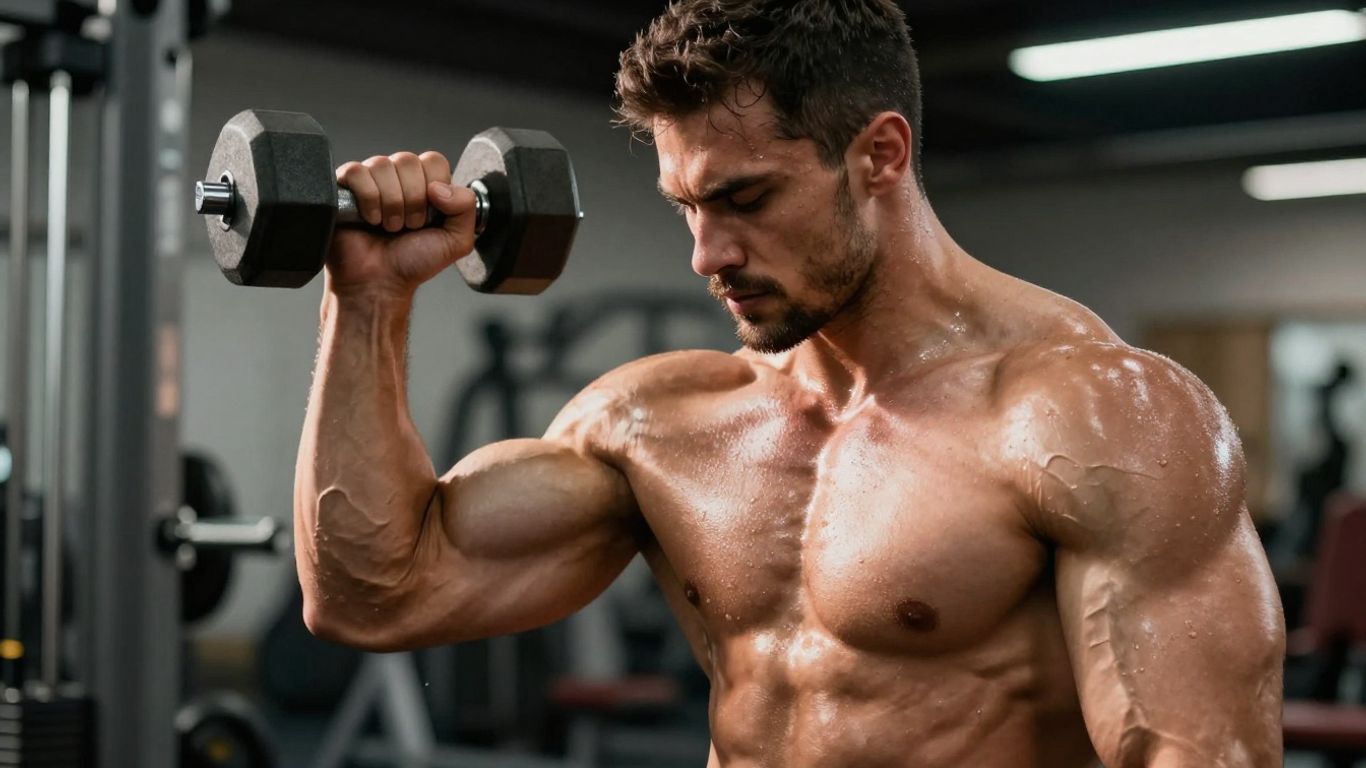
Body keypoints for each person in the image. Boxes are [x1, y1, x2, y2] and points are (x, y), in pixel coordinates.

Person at [294, 1, 1285, 765]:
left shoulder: (1094, 415)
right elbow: (374, 598)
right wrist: (368, 300)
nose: (705, 253)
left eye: (745, 198)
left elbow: (1193, 751)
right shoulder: (657, 421)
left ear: (880, 155)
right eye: (686, 206)